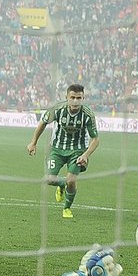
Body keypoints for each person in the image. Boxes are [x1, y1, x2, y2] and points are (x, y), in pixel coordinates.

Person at [26, 84, 100, 218]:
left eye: (79, 98)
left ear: (83, 98)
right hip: (56, 149)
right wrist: (33, 142)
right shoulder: (57, 109)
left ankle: (67, 208)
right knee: (48, 179)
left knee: (71, 180)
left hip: (77, 151)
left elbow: (95, 139)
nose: (75, 101)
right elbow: (42, 123)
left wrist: (85, 155)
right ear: (67, 97)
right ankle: (61, 184)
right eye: (72, 97)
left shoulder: (87, 114)